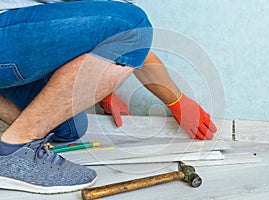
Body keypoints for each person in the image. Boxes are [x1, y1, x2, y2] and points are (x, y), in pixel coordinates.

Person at [0, 0, 216, 194]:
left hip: (18, 54)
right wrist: (176, 100)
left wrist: (100, 86)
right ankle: (11, 150)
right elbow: (130, 34)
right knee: (132, 22)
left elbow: (78, 27)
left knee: (68, 129)